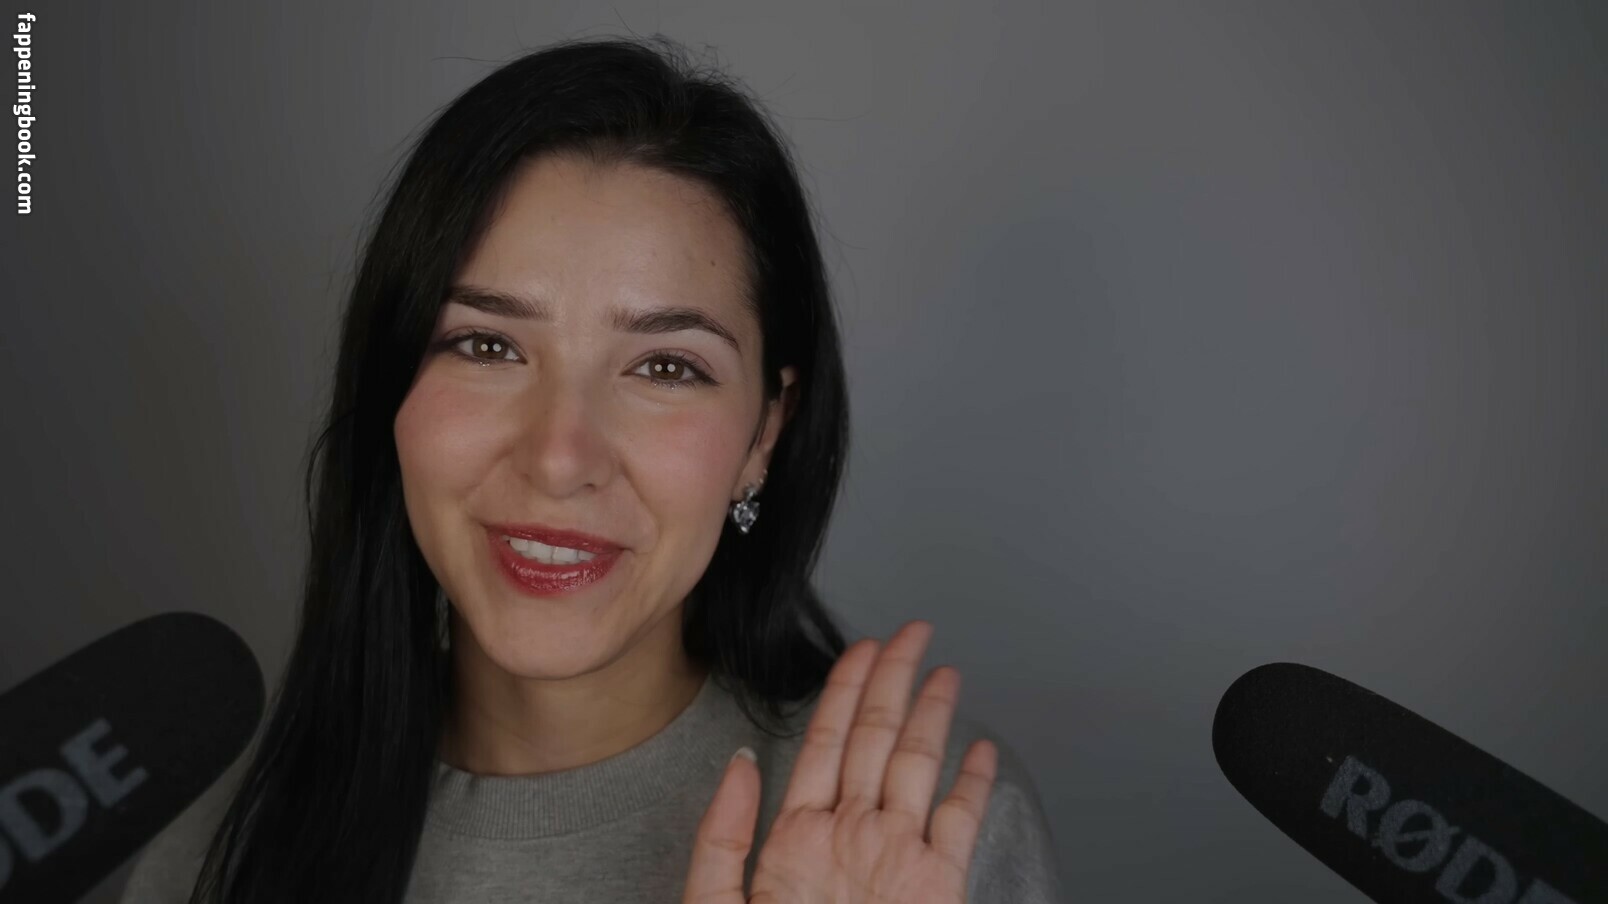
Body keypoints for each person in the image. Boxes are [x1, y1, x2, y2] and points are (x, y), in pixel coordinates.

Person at [119, 34, 1063, 903]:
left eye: (666, 367)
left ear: (765, 434)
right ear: (392, 385)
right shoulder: (214, 853)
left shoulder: (916, 844)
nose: (559, 457)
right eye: (487, 346)